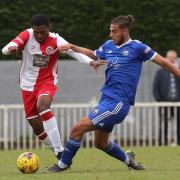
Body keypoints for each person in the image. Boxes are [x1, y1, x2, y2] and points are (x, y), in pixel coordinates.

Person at [46, 15, 180, 173]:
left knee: (77, 128)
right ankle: (128, 160)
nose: (111, 35)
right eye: (110, 31)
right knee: (100, 143)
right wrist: (73, 47)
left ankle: (63, 164)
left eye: (114, 31)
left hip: (119, 103)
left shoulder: (138, 48)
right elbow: (94, 54)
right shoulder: (109, 45)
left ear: (124, 31)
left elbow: (164, 62)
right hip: (106, 99)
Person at [2, 14, 106, 159]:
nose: (38, 35)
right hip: (27, 85)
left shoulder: (56, 40)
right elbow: (5, 48)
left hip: (47, 81)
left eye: (42, 32)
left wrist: (91, 62)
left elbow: (74, 53)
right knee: (35, 124)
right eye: (36, 32)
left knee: (43, 107)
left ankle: (60, 150)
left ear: (49, 28)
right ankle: (57, 153)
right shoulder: (27, 34)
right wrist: (11, 49)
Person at [153, 50, 180, 145]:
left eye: (174, 58)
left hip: (178, 103)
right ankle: (162, 143)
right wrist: (159, 100)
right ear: (166, 59)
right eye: (170, 58)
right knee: (164, 123)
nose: (172, 60)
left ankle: (179, 143)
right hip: (164, 103)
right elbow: (155, 88)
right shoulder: (160, 72)